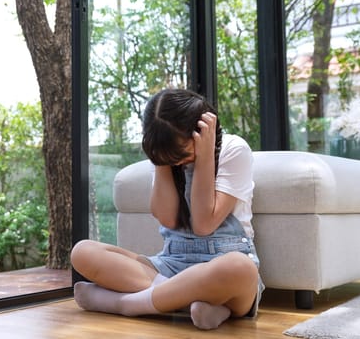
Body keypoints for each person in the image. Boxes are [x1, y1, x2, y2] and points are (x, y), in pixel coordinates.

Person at [70, 88, 264, 330]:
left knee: (239, 267)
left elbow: (204, 225)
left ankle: (127, 304)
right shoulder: (168, 154)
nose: (178, 162)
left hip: (222, 265)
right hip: (171, 265)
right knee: (83, 251)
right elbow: (169, 219)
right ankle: (197, 304)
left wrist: (204, 156)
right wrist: (162, 159)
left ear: (202, 130)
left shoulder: (234, 149)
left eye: (182, 154)